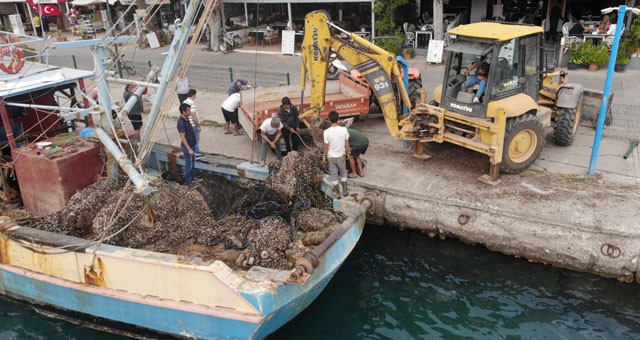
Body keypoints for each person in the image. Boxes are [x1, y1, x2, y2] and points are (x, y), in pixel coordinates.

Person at [323, 110, 350, 197]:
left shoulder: (326, 132)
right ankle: (345, 191)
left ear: (329, 120)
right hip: (341, 155)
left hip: (331, 157)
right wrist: (347, 153)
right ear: (338, 119)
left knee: (333, 174)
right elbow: (347, 143)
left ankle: (338, 193)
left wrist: (325, 156)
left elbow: (326, 146)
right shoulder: (344, 129)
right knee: (343, 173)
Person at [177, 103, 197, 186]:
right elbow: (182, 137)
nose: (190, 112)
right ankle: (188, 181)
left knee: (192, 162)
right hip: (187, 147)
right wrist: (189, 149)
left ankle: (192, 177)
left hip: (192, 144)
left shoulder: (187, 118)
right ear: (183, 112)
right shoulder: (181, 123)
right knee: (188, 164)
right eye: (188, 110)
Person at [182, 89, 203, 158]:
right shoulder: (192, 103)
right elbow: (193, 115)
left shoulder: (184, 102)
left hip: (188, 124)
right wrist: (198, 126)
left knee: (190, 139)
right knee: (196, 140)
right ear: (194, 95)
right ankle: (197, 153)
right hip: (193, 125)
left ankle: (191, 152)